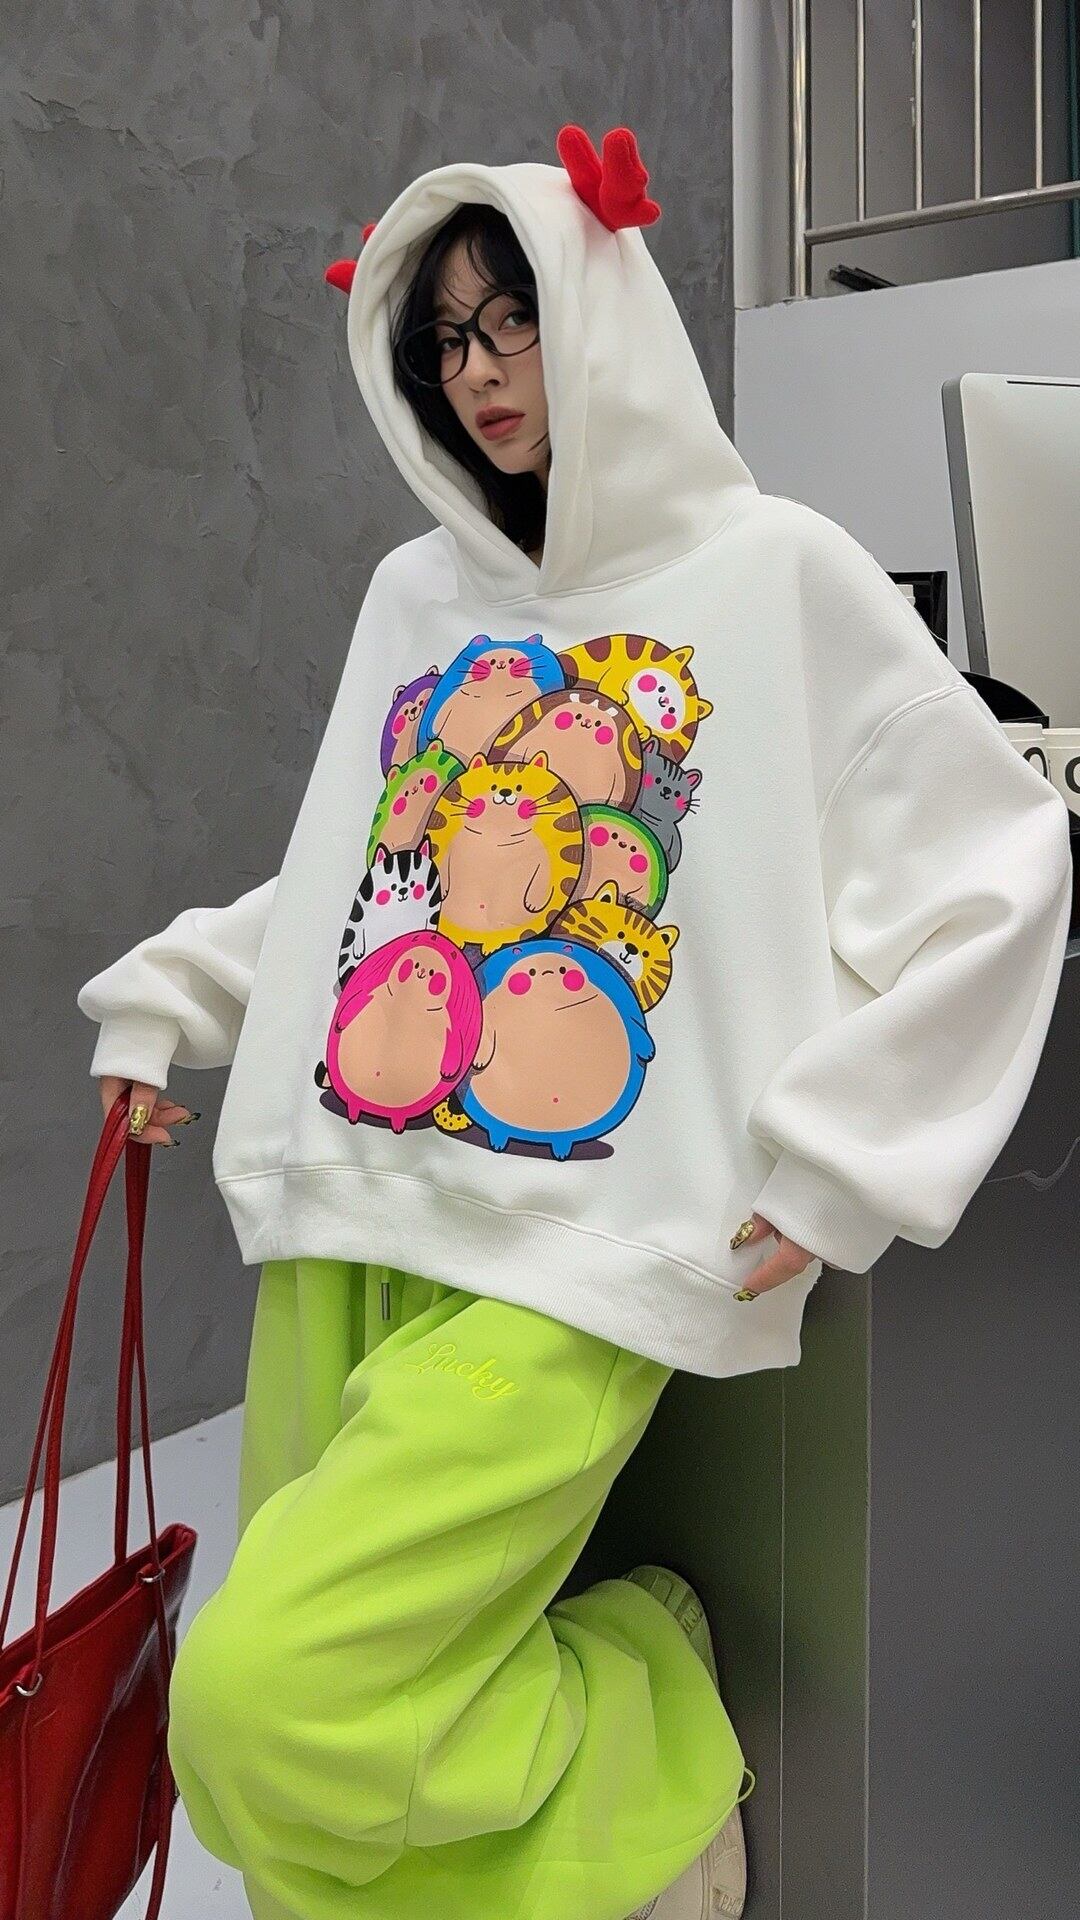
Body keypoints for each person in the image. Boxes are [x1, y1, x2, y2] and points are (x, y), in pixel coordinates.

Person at [76, 124, 1073, 1920]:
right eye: (444, 341)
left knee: (259, 1704)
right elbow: (356, 884)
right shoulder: (415, 597)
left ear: (596, 310)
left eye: (512, 320)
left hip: (579, 1243)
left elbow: (1001, 859)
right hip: (347, 1214)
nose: (480, 372)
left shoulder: (776, 574)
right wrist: (172, 1000)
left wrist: (847, 1161)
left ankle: (643, 1719)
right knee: (258, 1801)